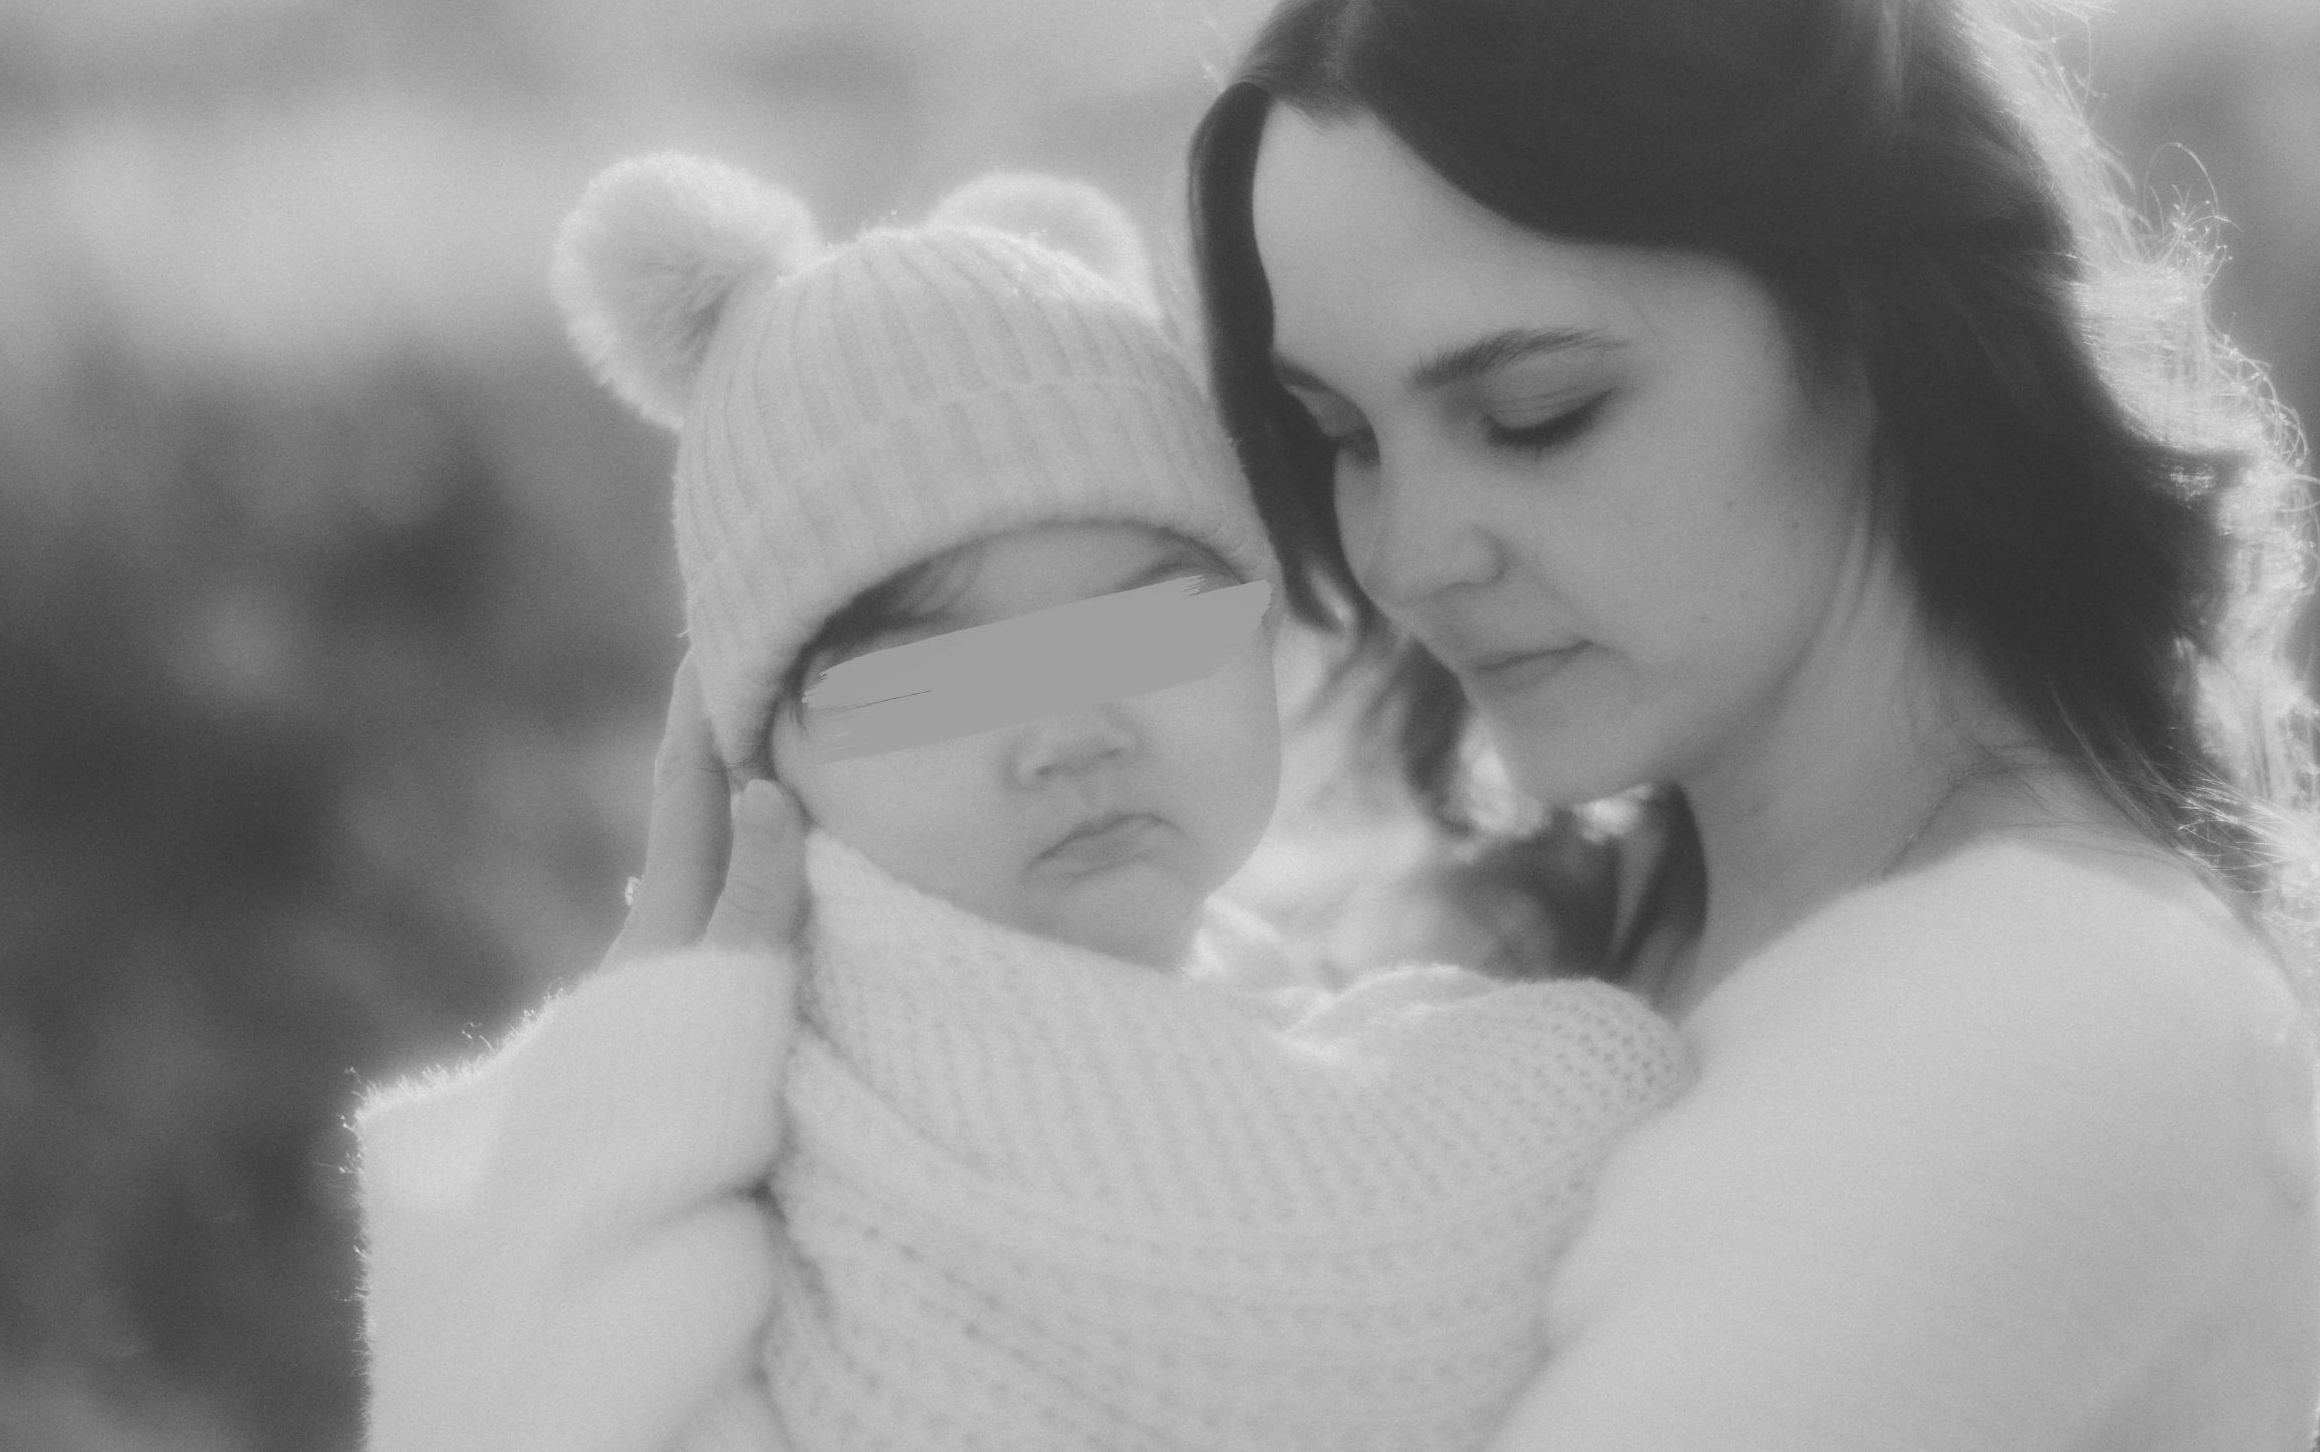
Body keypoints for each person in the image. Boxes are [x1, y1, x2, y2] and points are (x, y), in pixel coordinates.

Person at [1181, 0, 2320, 1448]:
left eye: (1536, 415)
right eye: (1344, 440)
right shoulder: (1645, 921)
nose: (1408, 551)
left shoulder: (2055, 1019)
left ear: (1869, 325)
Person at [355, 152, 1686, 1452]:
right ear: (764, 765)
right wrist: (633, 1079)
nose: (1067, 734)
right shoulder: (753, 1155)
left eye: (1149, 629)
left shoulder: (1295, 1006)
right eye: (929, 680)